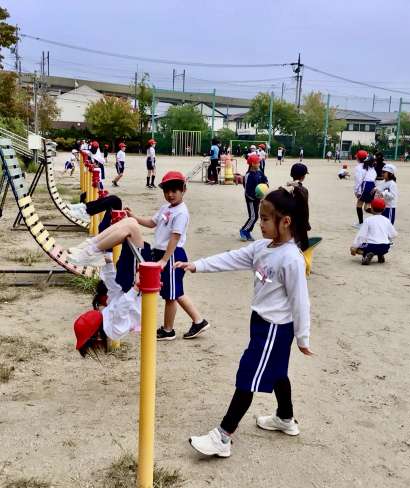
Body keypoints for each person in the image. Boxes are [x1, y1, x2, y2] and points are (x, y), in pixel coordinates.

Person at [175, 187, 313, 458]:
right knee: (277, 372)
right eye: (260, 218)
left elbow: (301, 301)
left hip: (275, 328)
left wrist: (303, 337)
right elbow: (232, 258)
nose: (260, 224)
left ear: (285, 222)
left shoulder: (291, 259)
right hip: (259, 322)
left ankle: (223, 436)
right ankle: (285, 418)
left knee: (248, 374)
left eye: (265, 219)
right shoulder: (262, 247)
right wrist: (197, 265)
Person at [68, 171, 209, 341]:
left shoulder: (181, 212)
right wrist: (135, 217)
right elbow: (152, 222)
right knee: (174, 292)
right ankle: (197, 321)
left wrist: (164, 260)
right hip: (160, 253)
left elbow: (175, 237)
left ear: (183, 190)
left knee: (172, 295)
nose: (170, 195)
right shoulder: (166, 208)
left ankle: (169, 329)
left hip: (171, 255)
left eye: (174, 191)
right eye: (167, 191)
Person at [73, 251, 141, 358]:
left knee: (131, 247)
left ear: (97, 336)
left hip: (135, 291)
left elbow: (118, 300)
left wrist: (136, 288)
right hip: (134, 289)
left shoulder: (113, 330)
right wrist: (108, 265)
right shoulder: (109, 319)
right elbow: (117, 297)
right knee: (133, 246)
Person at [350, 197, 397, 265]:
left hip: (371, 246)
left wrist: (354, 246)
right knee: (380, 247)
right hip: (385, 247)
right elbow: (394, 234)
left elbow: (361, 236)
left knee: (355, 248)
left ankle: (366, 255)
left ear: (371, 208)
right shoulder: (386, 220)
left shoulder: (368, 220)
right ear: (384, 209)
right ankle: (380, 254)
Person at [240, 153, 269, 242]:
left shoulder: (259, 172)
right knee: (253, 216)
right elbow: (247, 190)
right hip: (251, 199)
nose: (259, 164)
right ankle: (243, 230)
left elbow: (265, 180)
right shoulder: (248, 175)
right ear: (253, 164)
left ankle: (248, 232)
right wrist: (254, 197)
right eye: (258, 162)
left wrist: (266, 185)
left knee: (256, 216)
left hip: (258, 198)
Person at [286, 163, 310, 251]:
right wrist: (306, 224)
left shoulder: (287, 188)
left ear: (291, 174)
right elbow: (305, 210)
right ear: (303, 176)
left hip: (288, 221)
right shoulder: (303, 190)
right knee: (302, 246)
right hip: (300, 223)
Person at [353, 150, 370, 228]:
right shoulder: (369, 166)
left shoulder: (358, 167)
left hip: (362, 188)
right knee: (367, 207)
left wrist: (357, 191)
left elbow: (358, 180)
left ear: (358, 158)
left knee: (359, 205)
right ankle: (378, 216)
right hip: (370, 186)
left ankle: (361, 223)